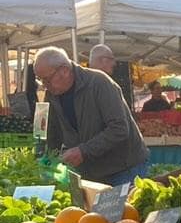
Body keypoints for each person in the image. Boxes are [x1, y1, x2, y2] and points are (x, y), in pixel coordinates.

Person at [34, 45, 149, 184]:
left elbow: (119, 129)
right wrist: (47, 160)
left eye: (46, 80)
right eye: (41, 80)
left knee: (124, 207)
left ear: (64, 70)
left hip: (124, 168)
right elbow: (51, 132)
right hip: (91, 172)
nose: (44, 85)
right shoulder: (51, 94)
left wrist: (83, 151)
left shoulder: (99, 83)